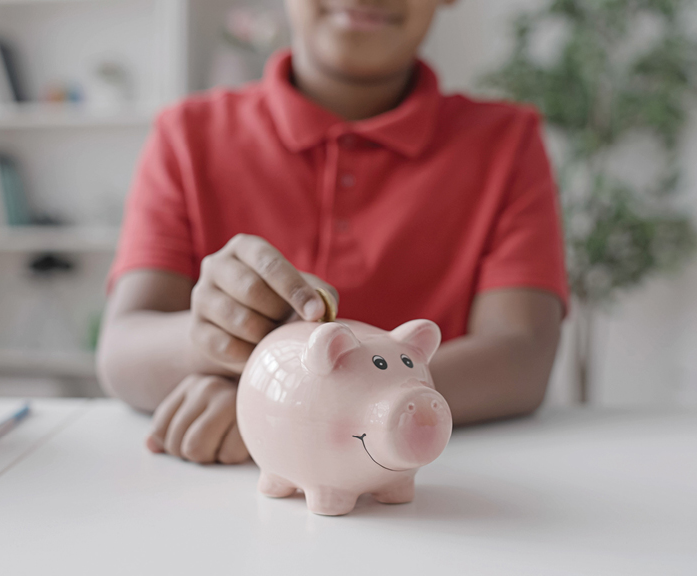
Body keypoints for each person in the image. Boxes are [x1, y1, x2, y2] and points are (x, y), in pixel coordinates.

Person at [97, 0, 567, 465]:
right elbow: (121, 351)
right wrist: (212, 340)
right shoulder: (186, 135)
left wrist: (276, 402)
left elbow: (521, 358)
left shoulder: (507, 141)